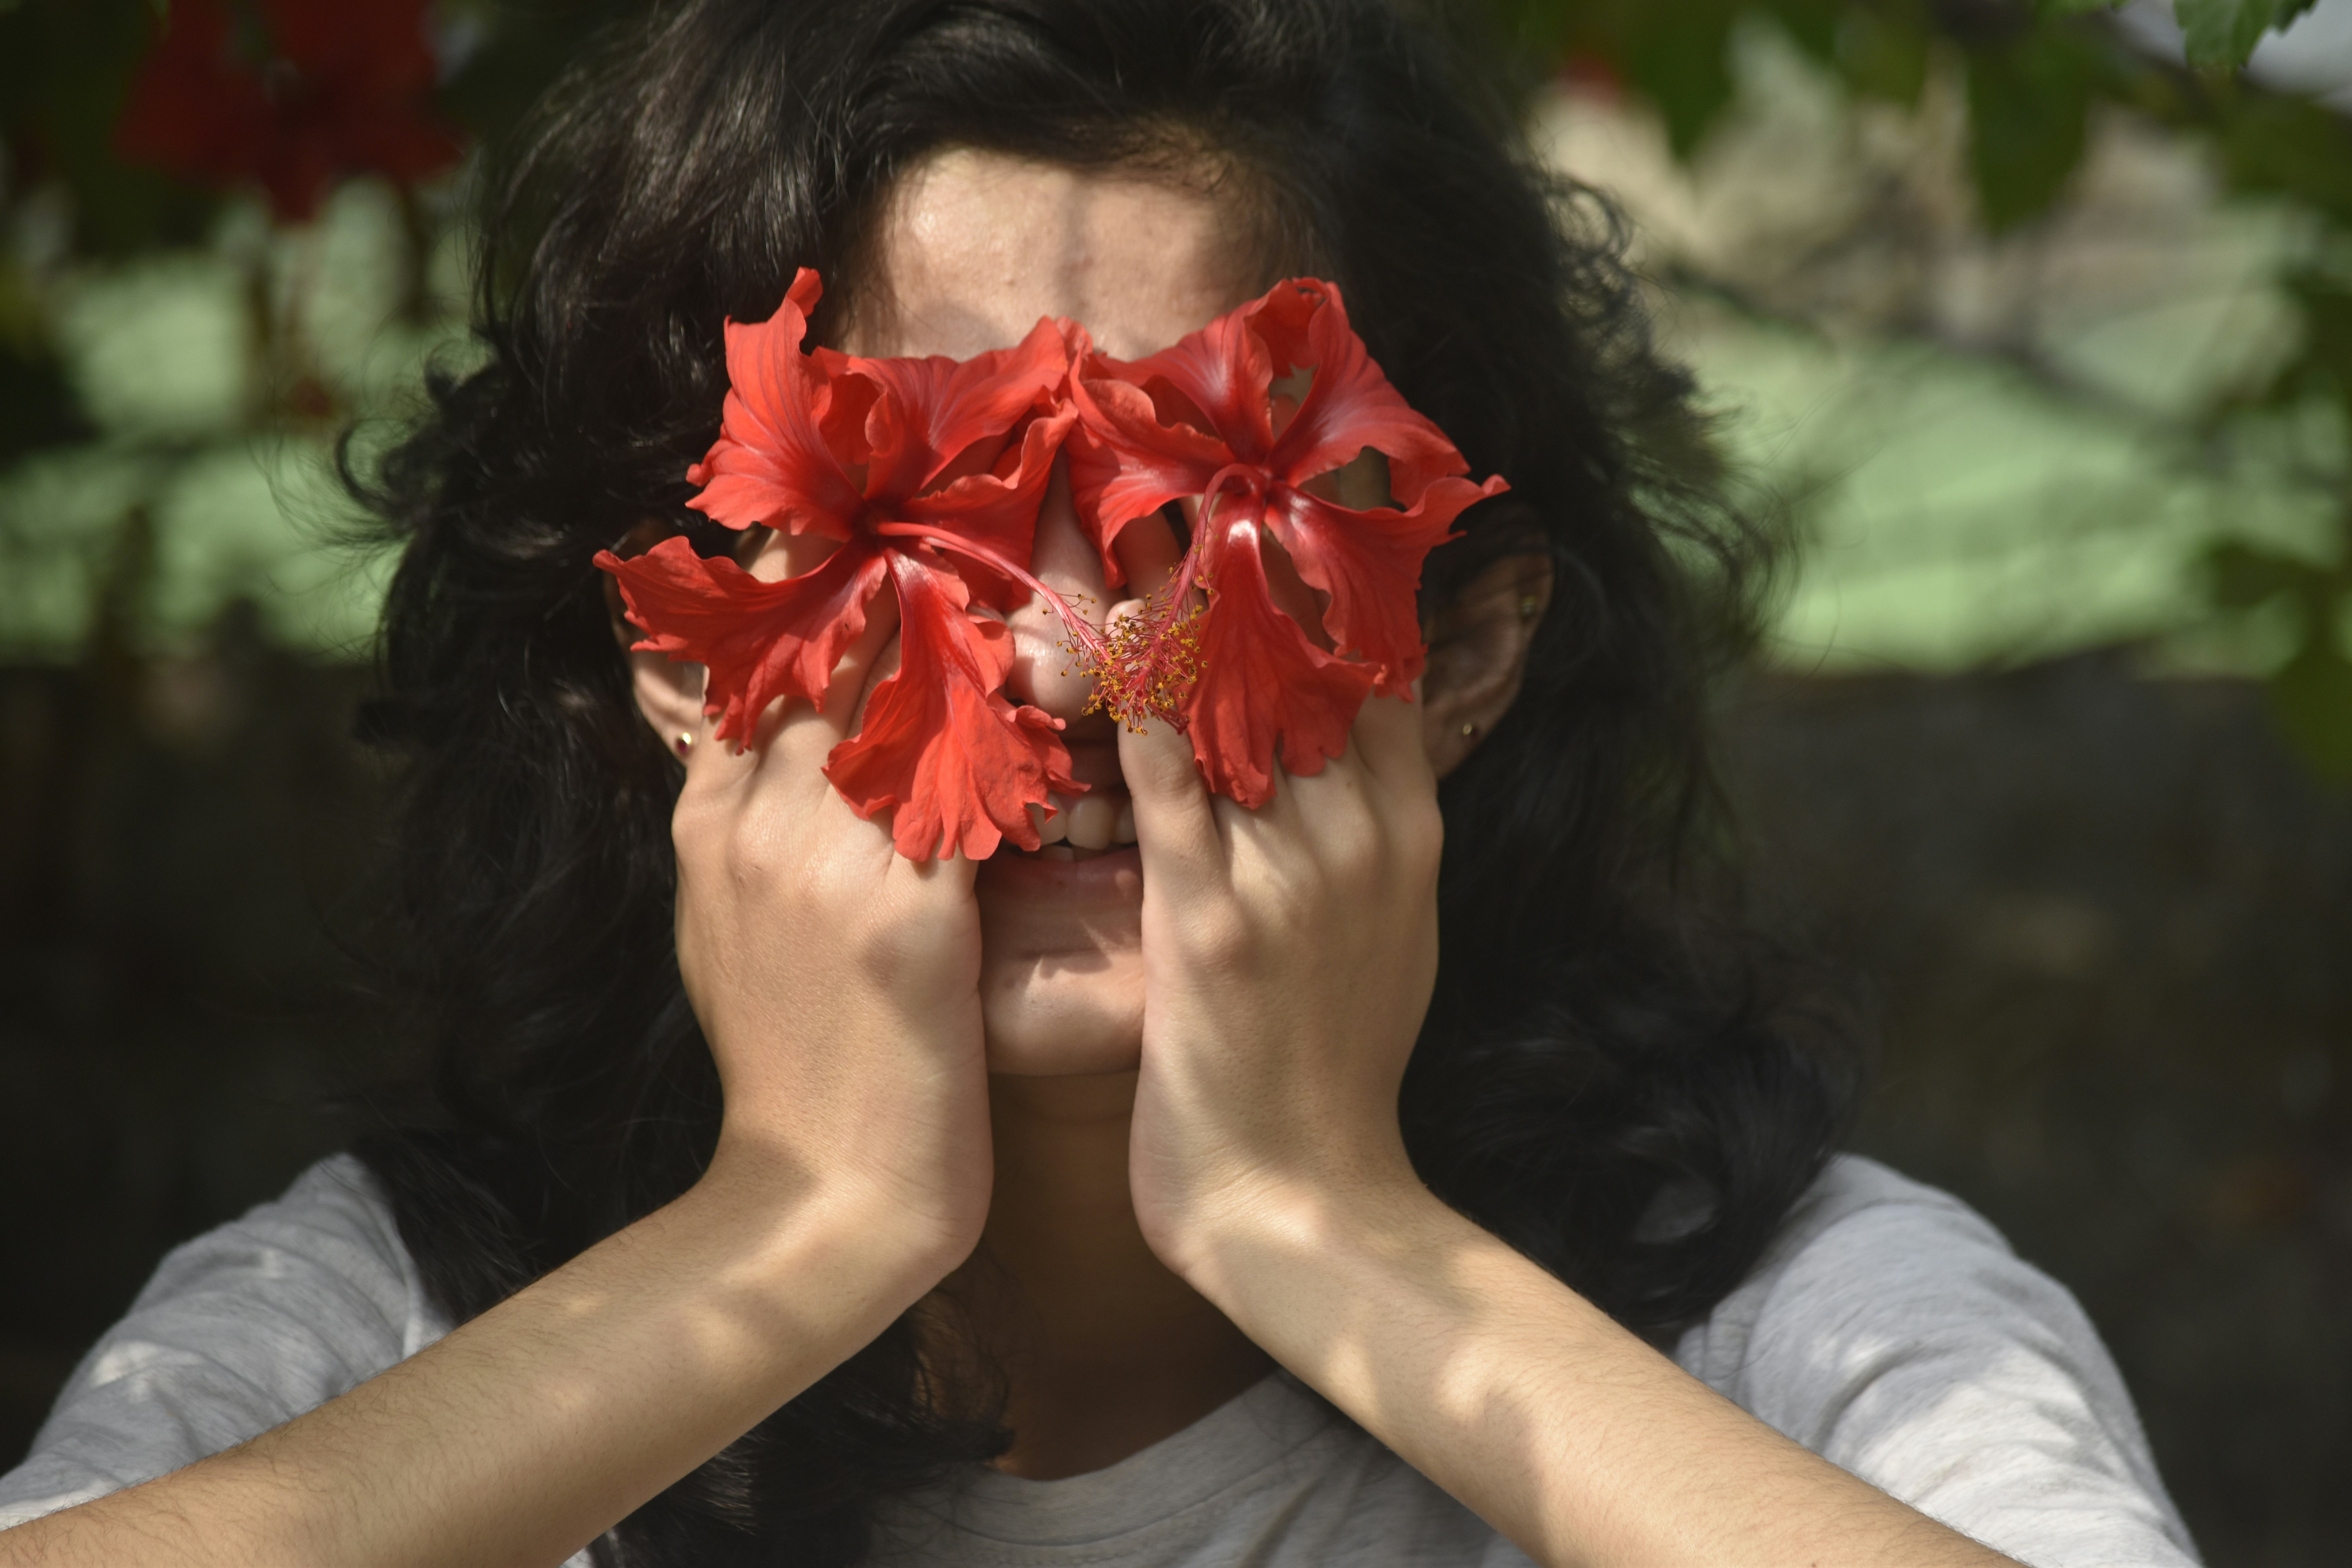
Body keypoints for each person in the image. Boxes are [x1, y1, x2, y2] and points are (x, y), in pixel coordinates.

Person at [0, 2, 2200, 1565]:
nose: (1066, 652)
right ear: (673, 660)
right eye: (902, 510)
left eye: (1193, 513)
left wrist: (1324, 1226)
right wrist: (794, 1231)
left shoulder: (1815, 1336)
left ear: (1466, 653)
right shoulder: (374, 1334)